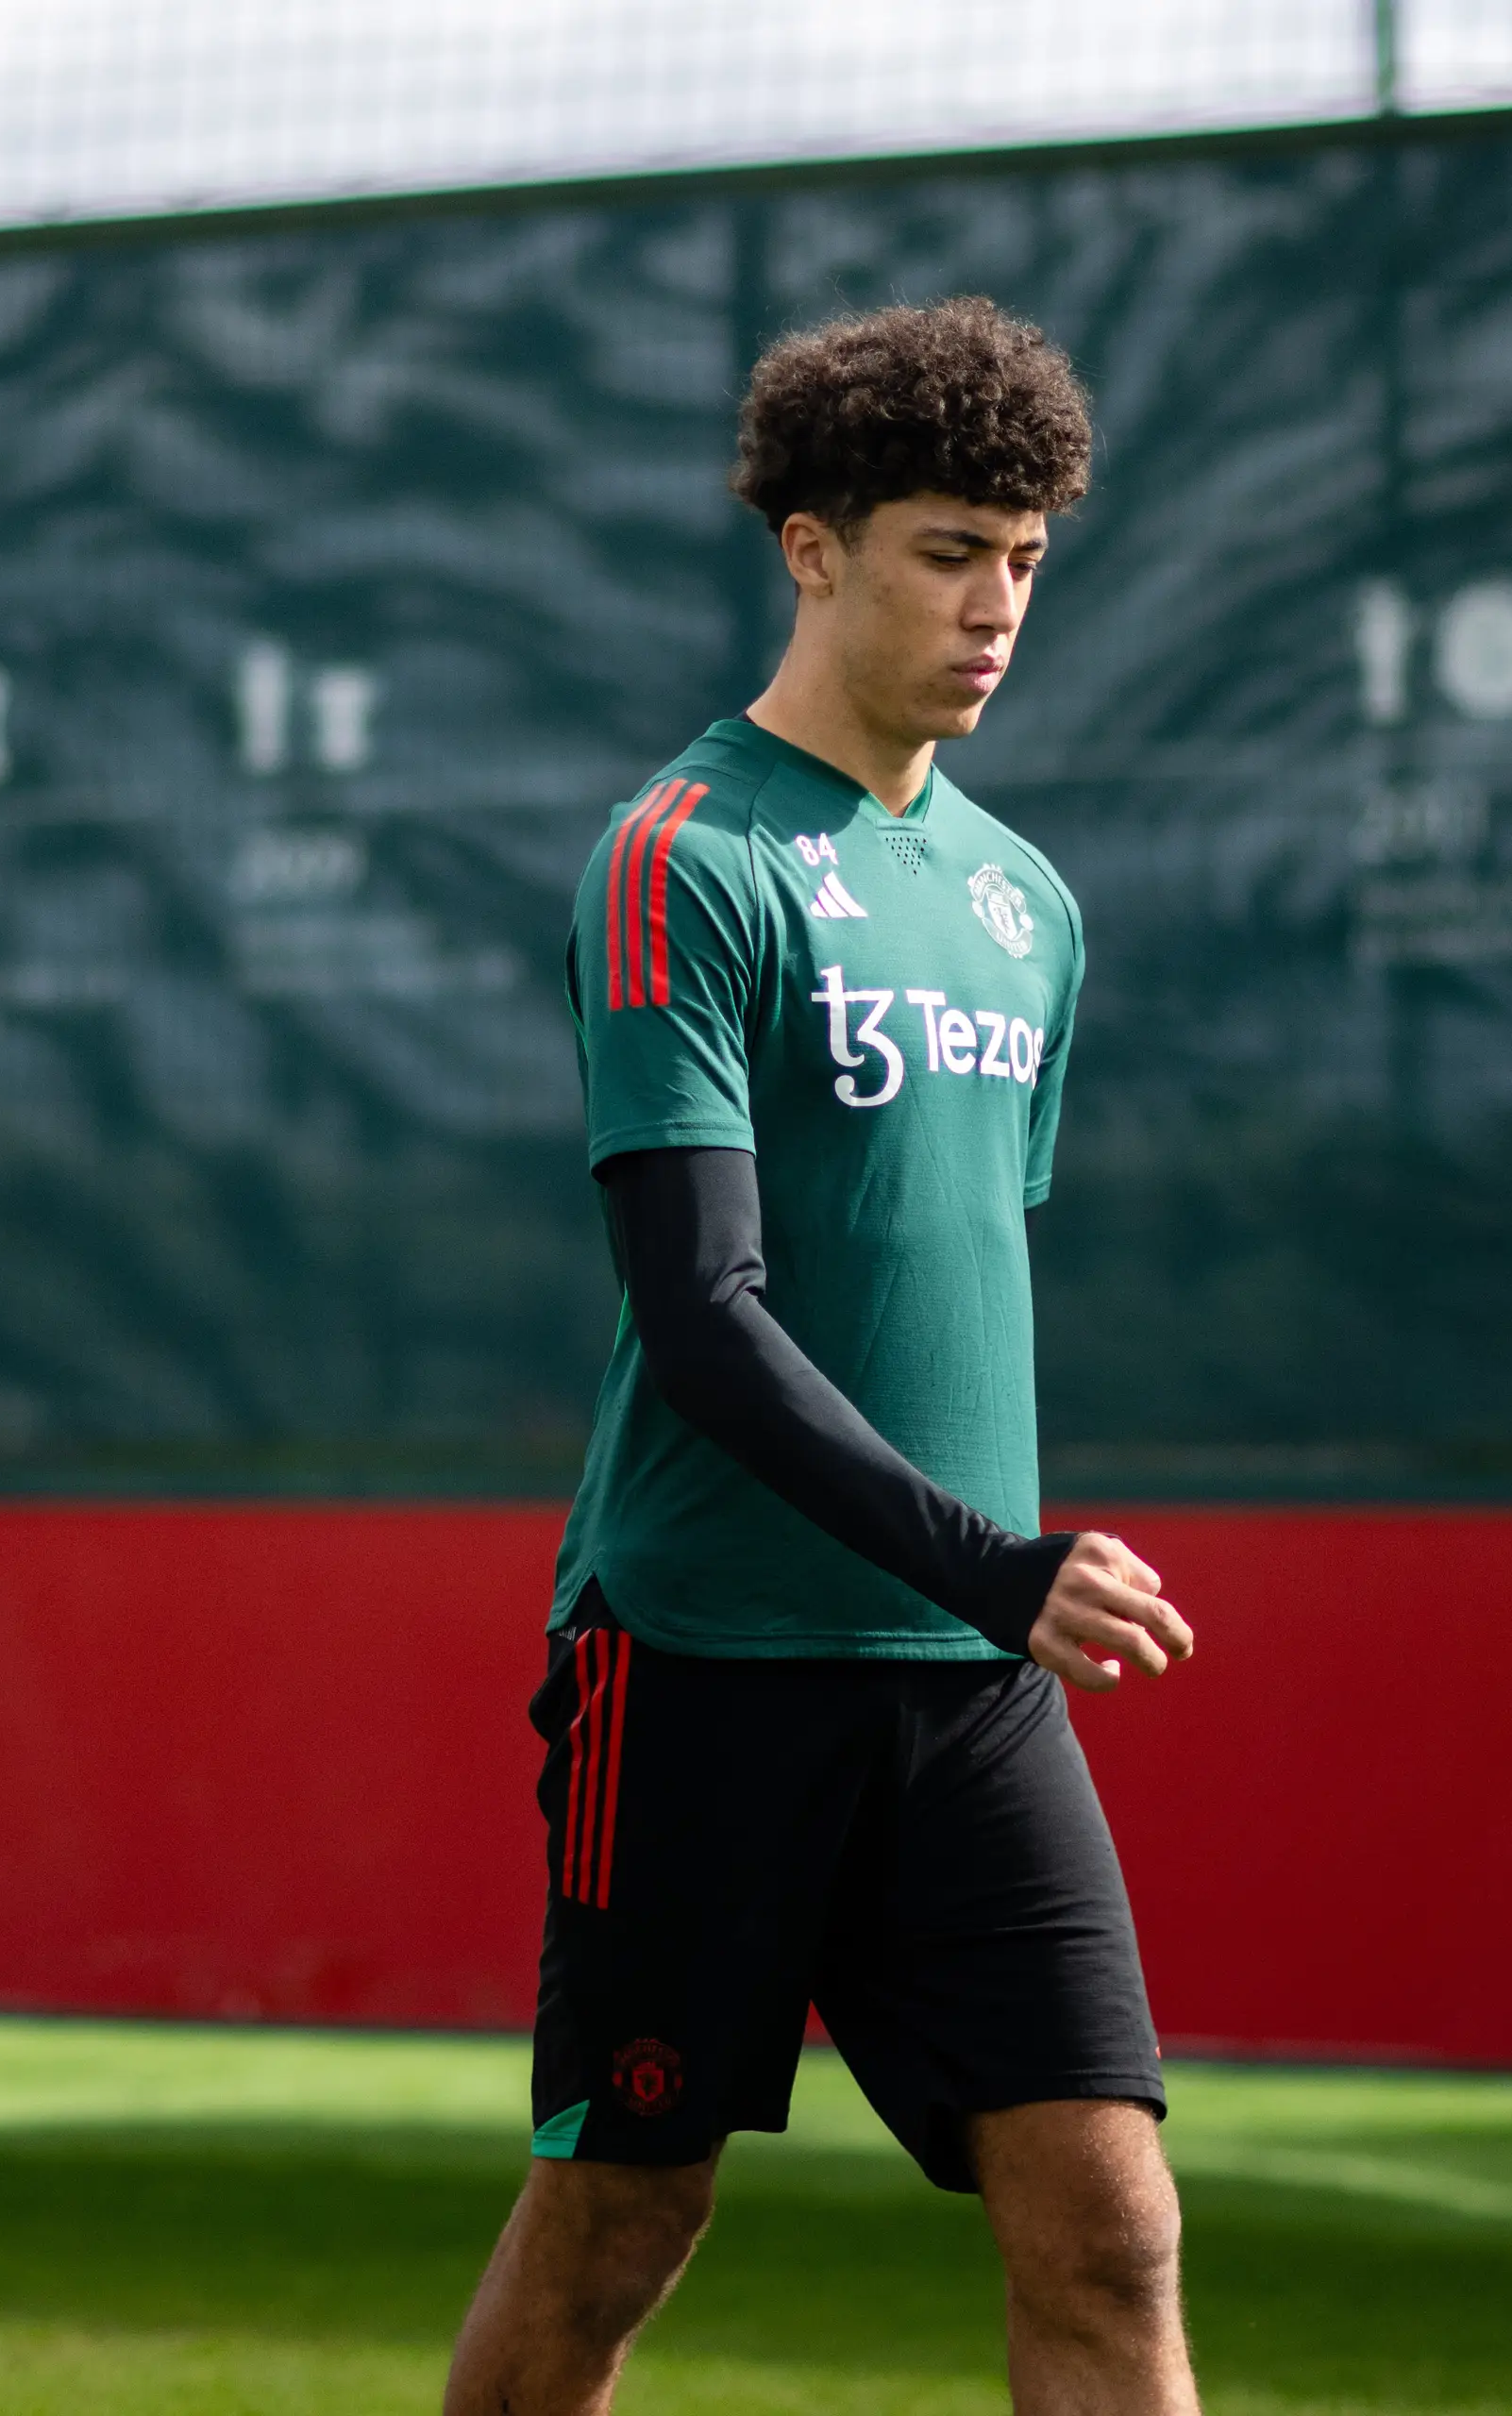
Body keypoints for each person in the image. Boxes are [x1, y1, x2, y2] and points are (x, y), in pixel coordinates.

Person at [444, 299, 1202, 2416]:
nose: (997, 605)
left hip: (964, 1691)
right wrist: (995, 1563)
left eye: (1030, 557)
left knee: (1113, 2221)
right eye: (952, 547)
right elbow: (708, 1319)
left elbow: (941, 1276)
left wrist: (977, 1597)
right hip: (697, 1667)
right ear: (813, 545)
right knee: (625, 2213)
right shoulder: (683, 859)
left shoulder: (1027, 903)